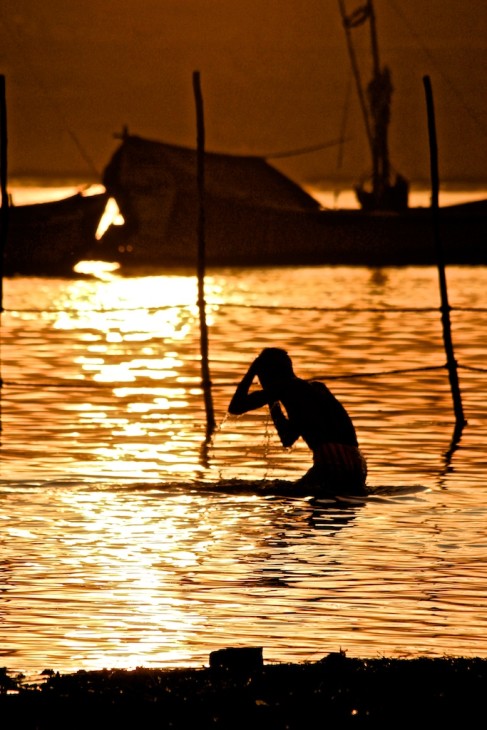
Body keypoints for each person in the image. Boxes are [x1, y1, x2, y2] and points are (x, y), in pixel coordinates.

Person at [228, 347, 367, 496]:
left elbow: (235, 407)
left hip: (332, 459)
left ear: (267, 374)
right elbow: (288, 438)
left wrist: (251, 371)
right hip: (357, 462)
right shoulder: (315, 388)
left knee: (282, 496)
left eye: (260, 375)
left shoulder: (285, 387)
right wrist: (272, 400)